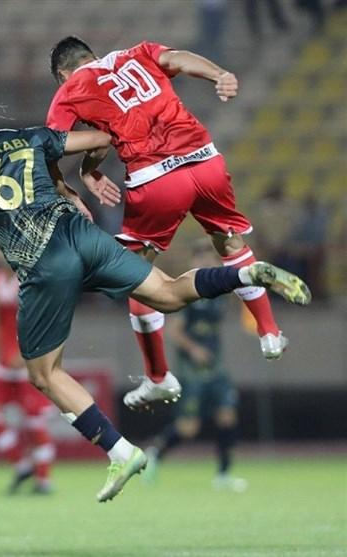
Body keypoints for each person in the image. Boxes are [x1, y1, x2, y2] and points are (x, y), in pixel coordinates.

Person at [0, 74, 309, 502]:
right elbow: (102, 136)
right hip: (83, 236)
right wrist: (86, 175)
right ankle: (245, 274)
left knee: (44, 374)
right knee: (167, 294)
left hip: (43, 262)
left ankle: (120, 451)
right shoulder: (29, 136)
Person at [46, 37, 291, 412]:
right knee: (231, 244)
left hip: (157, 178)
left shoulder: (70, 89)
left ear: (63, 73)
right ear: (91, 55)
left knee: (135, 276)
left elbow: (54, 146)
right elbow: (177, 59)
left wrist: (70, 187)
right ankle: (270, 332)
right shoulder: (137, 53)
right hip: (205, 161)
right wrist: (219, 74)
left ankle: (158, 377)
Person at [143, 242, 248, 492]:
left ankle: (223, 474)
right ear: (193, 262)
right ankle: (155, 453)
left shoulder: (219, 293)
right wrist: (194, 349)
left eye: (210, 259)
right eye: (201, 259)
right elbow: (174, 332)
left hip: (216, 368)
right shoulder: (187, 292)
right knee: (188, 428)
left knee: (227, 416)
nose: (206, 263)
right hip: (192, 371)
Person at [0, 245, 56, 495]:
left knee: (34, 422)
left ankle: (43, 479)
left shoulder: (30, 278)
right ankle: (21, 465)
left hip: (27, 363)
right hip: (4, 364)